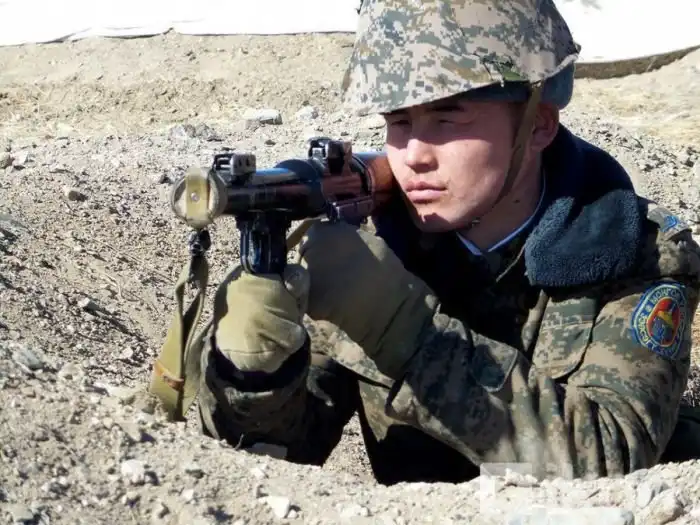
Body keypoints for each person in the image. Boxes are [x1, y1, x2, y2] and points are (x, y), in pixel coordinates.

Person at [195, 0, 700, 484]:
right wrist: (256, 374)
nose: (414, 155)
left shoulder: (633, 250)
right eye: (398, 121)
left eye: (447, 118)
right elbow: (280, 458)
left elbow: (611, 460)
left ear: (538, 125)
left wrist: (404, 332)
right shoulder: (372, 245)